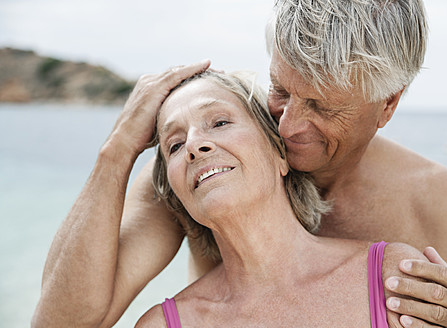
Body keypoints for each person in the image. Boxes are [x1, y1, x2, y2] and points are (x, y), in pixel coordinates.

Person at [32, 0, 447, 327]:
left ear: (386, 106)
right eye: (281, 91)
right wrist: (116, 151)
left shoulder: (434, 202)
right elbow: (62, 321)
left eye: (322, 107)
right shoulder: (206, 169)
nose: (288, 126)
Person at [136, 70, 427, 327]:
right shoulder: (162, 324)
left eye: (220, 122)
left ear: (279, 152)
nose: (194, 145)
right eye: (175, 145)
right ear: (176, 193)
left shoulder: (393, 277)